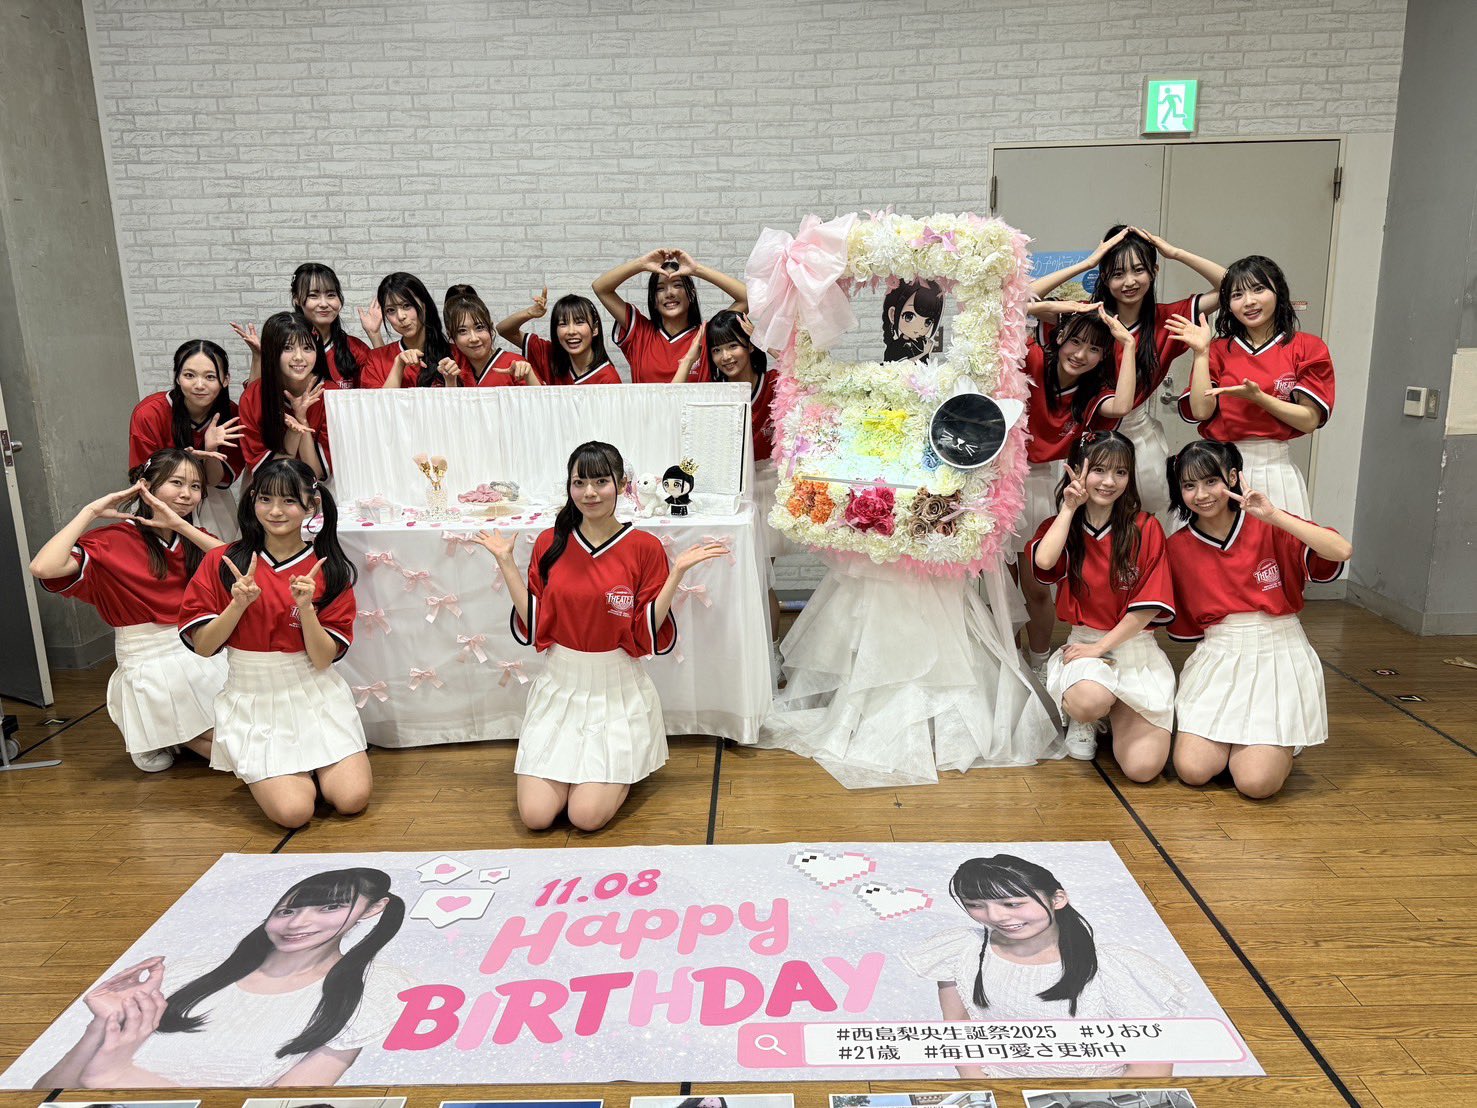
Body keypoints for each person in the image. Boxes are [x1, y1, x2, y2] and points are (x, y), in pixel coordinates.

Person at [473, 441, 729, 832]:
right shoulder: (550, 543)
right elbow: (536, 625)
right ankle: (585, 772)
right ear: (569, 487)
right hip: (560, 688)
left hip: (616, 693)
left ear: (622, 485)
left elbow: (646, 634)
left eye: (600, 482)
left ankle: (624, 763)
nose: (589, 492)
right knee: (536, 817)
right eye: (579, 483)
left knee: (586, 817)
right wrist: (506, 563)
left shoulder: (644, 548)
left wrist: (676, 573)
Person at [34, 868, 406, 1088]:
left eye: (331, 907)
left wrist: (119, 1077)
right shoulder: (190, 973)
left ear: (373, 909)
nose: (297, 923)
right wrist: (102, 1026)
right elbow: (48, 1093)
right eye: (287, 911)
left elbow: (289, 1102)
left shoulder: (370, 994)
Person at [178, 459, 371, 828]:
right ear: (252, 500)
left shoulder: (329, 569)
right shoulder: (224, 562)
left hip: (315, 693)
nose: (275, 511)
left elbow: (322, 660)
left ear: (311, 505)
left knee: (352, 800)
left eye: (289, 501)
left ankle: (310, 768)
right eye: (265, 499)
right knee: (294, 813)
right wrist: (237, 605)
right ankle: (288, 774)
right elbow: (203, 647)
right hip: (253, 699)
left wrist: (307, 609)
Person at [1164, 440, 1350, 799]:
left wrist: (1275, 515)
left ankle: (1278, 744)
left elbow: (1341, 550)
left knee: (1255, 783)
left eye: (1211, 481)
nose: (1201, 494)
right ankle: (1244, 744)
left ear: (1233, 477)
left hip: (1277, 654)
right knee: (1192, 770)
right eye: (1189, 485)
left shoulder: (1268, 525)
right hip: (1219, 656)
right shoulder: (1177, 547)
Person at [29, 450, 227, 772]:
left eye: (195, 486)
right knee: (233, 750)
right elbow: (42, 567)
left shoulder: (194, 538)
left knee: (245, 731)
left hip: (200, 649)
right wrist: (91, 511)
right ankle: (160, 729)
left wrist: (180, 525)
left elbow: (243, 567)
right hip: (150, 664)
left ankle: (164, 732)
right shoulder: (111, 540)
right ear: (145, 486)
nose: (186, 494)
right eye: (176, 483)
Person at [905, 854, 1184, 1079]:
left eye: (1012, 903)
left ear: (1058, 899)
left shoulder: (1113, 966)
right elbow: (957, 1029)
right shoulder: (962, 949)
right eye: (975, 905)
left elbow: (1151, 1066)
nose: (996, 916)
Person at [1033, 226, 1227, 515]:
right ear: (1104, 277)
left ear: (1154, 271)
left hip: (1139, 438)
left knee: (1140, 523)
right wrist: (1088, 262)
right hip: (1088, 437)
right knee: (1084, 525)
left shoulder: (1168, 320)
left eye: (1139, 270)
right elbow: (1021, 299)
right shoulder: (1086, 317)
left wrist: (1175, 253)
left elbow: (1230, 287)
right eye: (1117, 273)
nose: (1129, 282)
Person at [1026, 431, 1175, 775]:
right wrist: (1069, 508)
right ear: (1077, 470)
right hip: (1085, 647)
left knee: (1143, 769)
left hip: (1135, 650)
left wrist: (1101, 648)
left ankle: (1117, 709)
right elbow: (1045, 561)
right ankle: (1088, 715)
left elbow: (1147, 608)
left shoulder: (1146, 527)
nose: (1109, 482)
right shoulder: (1062, 525)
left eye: (1120, 472)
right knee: (1090, 702)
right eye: (1099, 470)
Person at [1015, 307, 1138, 675]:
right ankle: (1010, 662)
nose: (1081, 354)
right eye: (1076, 341)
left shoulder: (1091, 393)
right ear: (1060, 337)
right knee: (1000, 591)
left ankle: (1039, 664)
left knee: (1036, 587)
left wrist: (1129, 345)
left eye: (1095, 349)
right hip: (999, 481)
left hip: (1044, 483)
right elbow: (1013, 305)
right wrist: (1064, 304)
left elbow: (1123, 404)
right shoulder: (1034, 359)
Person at [1169, 255, 1334, 519]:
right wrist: (1201, 353)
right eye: (1237, 295)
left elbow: (1309, 421)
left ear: (1278, 292)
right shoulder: (1218, 349)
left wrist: (1259, 398)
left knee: (1279, 543)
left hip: (1276, 471)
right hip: (1218, 471)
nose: (1249, 301)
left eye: (1258, 289)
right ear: (1228, 304)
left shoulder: (1307, 347)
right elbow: (1200, 411)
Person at [127, 339, 243, 538]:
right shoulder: (150, 413)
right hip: (158, 496)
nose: (199, 385)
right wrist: (182, 464)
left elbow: (216, 482)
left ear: (225, 380)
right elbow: (143, 478)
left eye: (210, 376)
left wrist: (211, 450)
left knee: (220, 552)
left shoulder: (231, 415)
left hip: (208, 497)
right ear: (177, 377)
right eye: (189, 375)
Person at [592, 247, 748, 383]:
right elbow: (601, 288)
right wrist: (640, 264)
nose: (669, 293)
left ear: (692, 294)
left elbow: (747, 298)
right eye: (660, 288)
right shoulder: (640, 333)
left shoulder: (706, 335)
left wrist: (696, 269)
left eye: (677, 285)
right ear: (653, 299)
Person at [237, 312, 337, 481]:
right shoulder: (253, 396)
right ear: (272, 351)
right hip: (267, 487)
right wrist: (294, 432)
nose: (298, 357)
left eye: (307, 348)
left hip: (316, 488)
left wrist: (302, 420)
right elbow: (264, 472)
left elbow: (318, 473)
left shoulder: (332, 395)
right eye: (287, 348)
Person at [359, 272, 468, 388]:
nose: (401, 316)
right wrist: (399, 365)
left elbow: (470, 398)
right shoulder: (375, 359)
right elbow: (377, 400)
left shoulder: (457, 354)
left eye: (407, 305)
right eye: (391, 310)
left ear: (424, 305)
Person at [496, 290, 622, 385]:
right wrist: (529, 313)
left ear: (595, 329)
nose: (571, 331)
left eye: (579, 322)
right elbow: (504, 330)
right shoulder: (548, 353)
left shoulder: (608, 378)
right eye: (563, 324)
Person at [443, 284, 539, 386]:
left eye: (479, 327)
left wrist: (529, 376)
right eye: (462, 331)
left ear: (490, 327)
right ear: (451, 335)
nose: (474, 338)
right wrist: (450, 381)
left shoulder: (514, 364)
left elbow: (542, 396)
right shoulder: (453, 370)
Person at [881, 278, 945, 363]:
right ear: (893, 314)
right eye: (909, 317)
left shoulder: (922, 343)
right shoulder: (894, 346)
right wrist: (924, 353)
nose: (919, 327)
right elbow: (900, 365)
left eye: (928, 322)